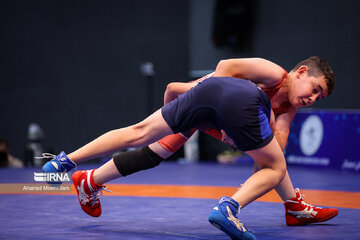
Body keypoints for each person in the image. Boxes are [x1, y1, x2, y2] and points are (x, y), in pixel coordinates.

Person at [42, 56, 335, 240]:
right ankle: (285, 207)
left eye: (319, 97)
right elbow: (224, 69)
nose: (313, 98)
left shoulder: (288, 110)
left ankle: (76, 169)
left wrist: (240, 136)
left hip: (213, 110)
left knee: (144, 142)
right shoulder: (275, 74)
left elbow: (274, 149)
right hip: (217, 100)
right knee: (273, 165)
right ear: (301, 72)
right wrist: (227, 127)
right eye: (315, 89)